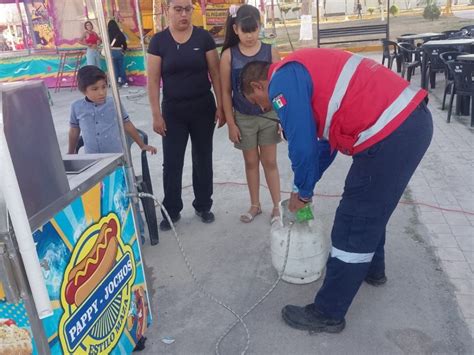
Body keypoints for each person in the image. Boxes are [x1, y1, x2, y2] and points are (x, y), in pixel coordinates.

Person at [240, 48, 432, 333]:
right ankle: (372, 270)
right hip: (408, 124)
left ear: (259, 85)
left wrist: (303, 193)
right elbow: (323, 145)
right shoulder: (302, 70)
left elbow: (302, 146)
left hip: (391, 131)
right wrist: (303, 186)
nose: (262, 108)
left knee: (353, 220)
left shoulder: (281, 80)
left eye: (257, 102)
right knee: (371, 206)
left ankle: (328, 312)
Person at [147, 0, 224, 231]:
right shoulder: (158, 41)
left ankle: (203, 205)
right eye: (178, 9)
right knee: (172, 161)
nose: (183, 14)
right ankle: (171, 209)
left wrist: (222, 106)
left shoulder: (204, 39)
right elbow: (152, 81)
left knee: (203, 157)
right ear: (167, 10)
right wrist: (156, 114)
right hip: (173, 111)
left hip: (203, 108)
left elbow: (216, 74)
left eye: (187, 9)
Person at [220, 4, 281, 224]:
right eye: (245, 31)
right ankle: (255, 205)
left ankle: (277, 205)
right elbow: (225, 92)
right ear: (235, 29)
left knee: (270, 162)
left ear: (260, 27)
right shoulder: (228, 56)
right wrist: (230, 123)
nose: (249, 36)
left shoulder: (270, 51)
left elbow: (282, 87)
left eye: (253, 30)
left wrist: (282, 117)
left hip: (269, 117)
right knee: (251, 162)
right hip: (243, 119)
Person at [107, 19, 128, 87]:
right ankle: (124, 82)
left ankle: (116, 82)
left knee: (114, 68)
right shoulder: (120, 33)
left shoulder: (107, 34)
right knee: (121, 67)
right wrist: (123, 50)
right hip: (119, 51)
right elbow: (124, 43)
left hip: (111, 52)